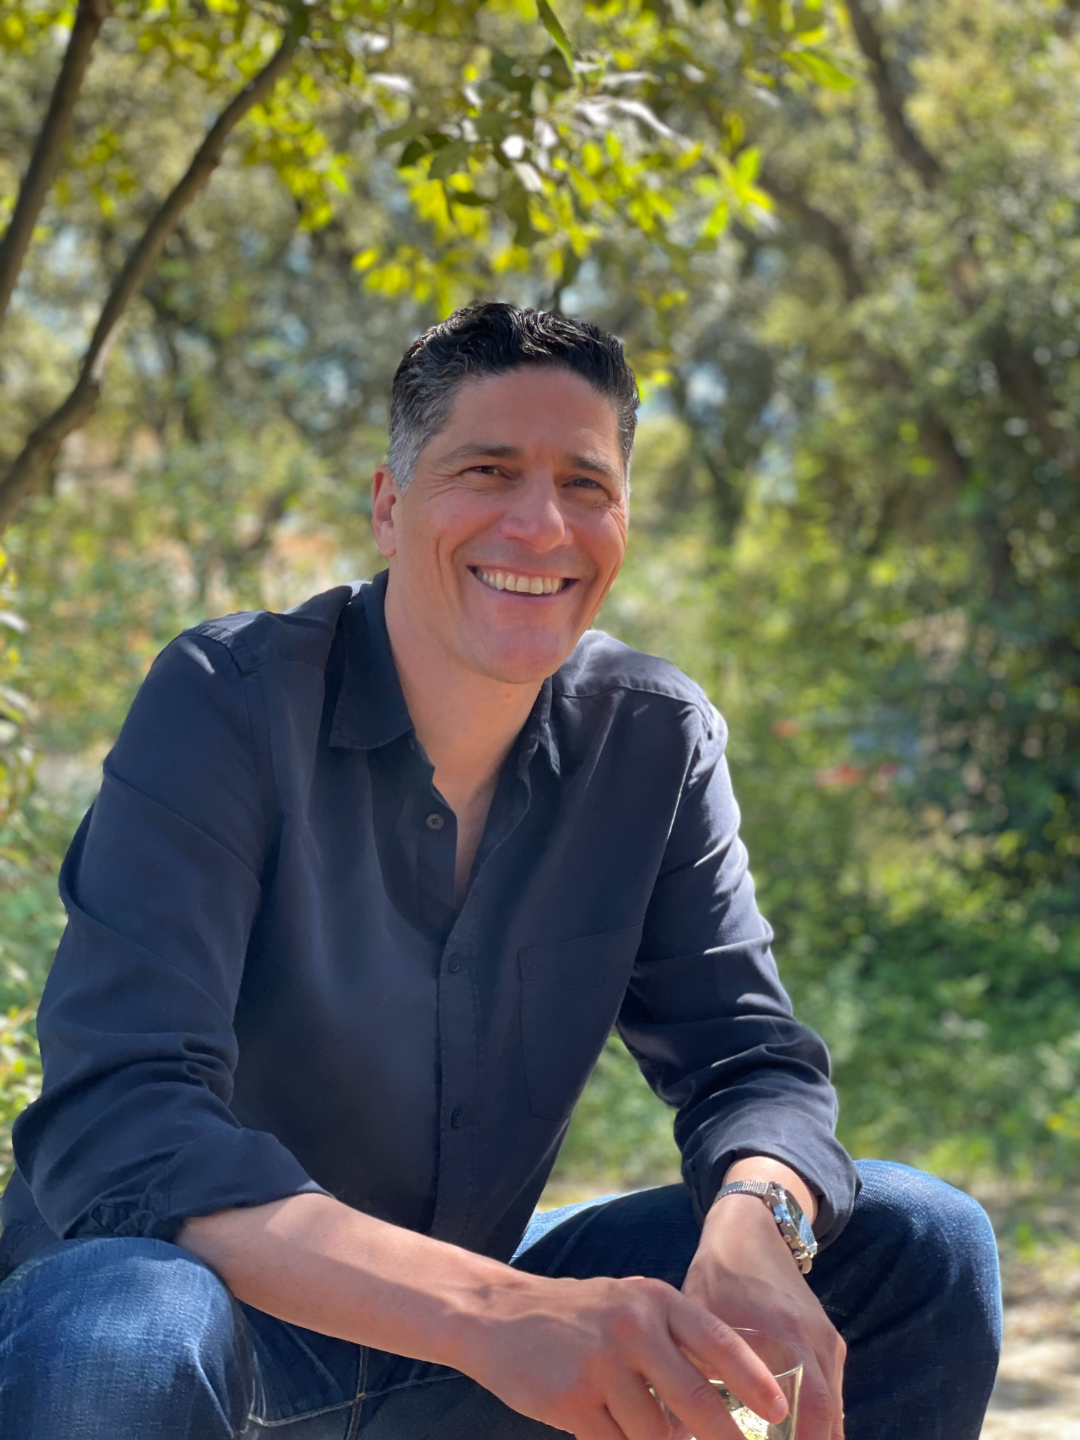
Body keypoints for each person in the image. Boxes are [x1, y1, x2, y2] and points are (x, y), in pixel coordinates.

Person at [0, 304, 999, 1440]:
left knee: (922, 1239)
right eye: (488, 470)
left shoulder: (653, 739)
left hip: (460, 1363)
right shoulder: (228, 701)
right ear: (388, 505)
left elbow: (751, 1062)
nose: (541, 523)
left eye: (586, 483)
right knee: (123, 1330)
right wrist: (493, 1312)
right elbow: (126, 1121)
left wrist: (755, 1222)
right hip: (203, 1343)